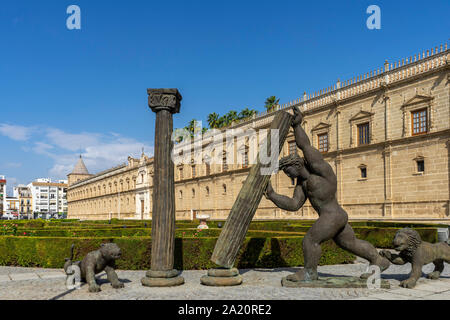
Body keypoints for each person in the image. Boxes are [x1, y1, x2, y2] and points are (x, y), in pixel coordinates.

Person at [264, 106, 390, 281]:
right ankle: (378, 259)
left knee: (310, 240)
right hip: (336, 216)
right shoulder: (302, 184)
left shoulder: (320, 170)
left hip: (332, 215)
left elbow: (305, 146)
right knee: (349, 243)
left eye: (288, 171)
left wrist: (297, 126)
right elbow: (294, 205)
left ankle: (310, 272)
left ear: (297, 164)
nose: (288, 175)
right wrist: (272, 195)